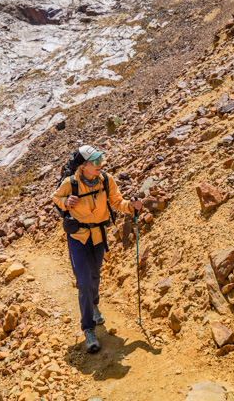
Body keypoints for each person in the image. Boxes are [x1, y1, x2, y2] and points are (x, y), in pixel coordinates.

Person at [52, 145, 143, 353]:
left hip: (98, 236)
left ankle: (94, 305)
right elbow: (55, 198)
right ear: (83, 166)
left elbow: (117, 202)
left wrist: (132, 206)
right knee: (83, 282)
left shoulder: (106, 180)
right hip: (78, 237)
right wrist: (66, 201)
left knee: (94, 276)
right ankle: (89, 329)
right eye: (94, 162)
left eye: (99, 160)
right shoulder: (70, 183)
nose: (99, 165)